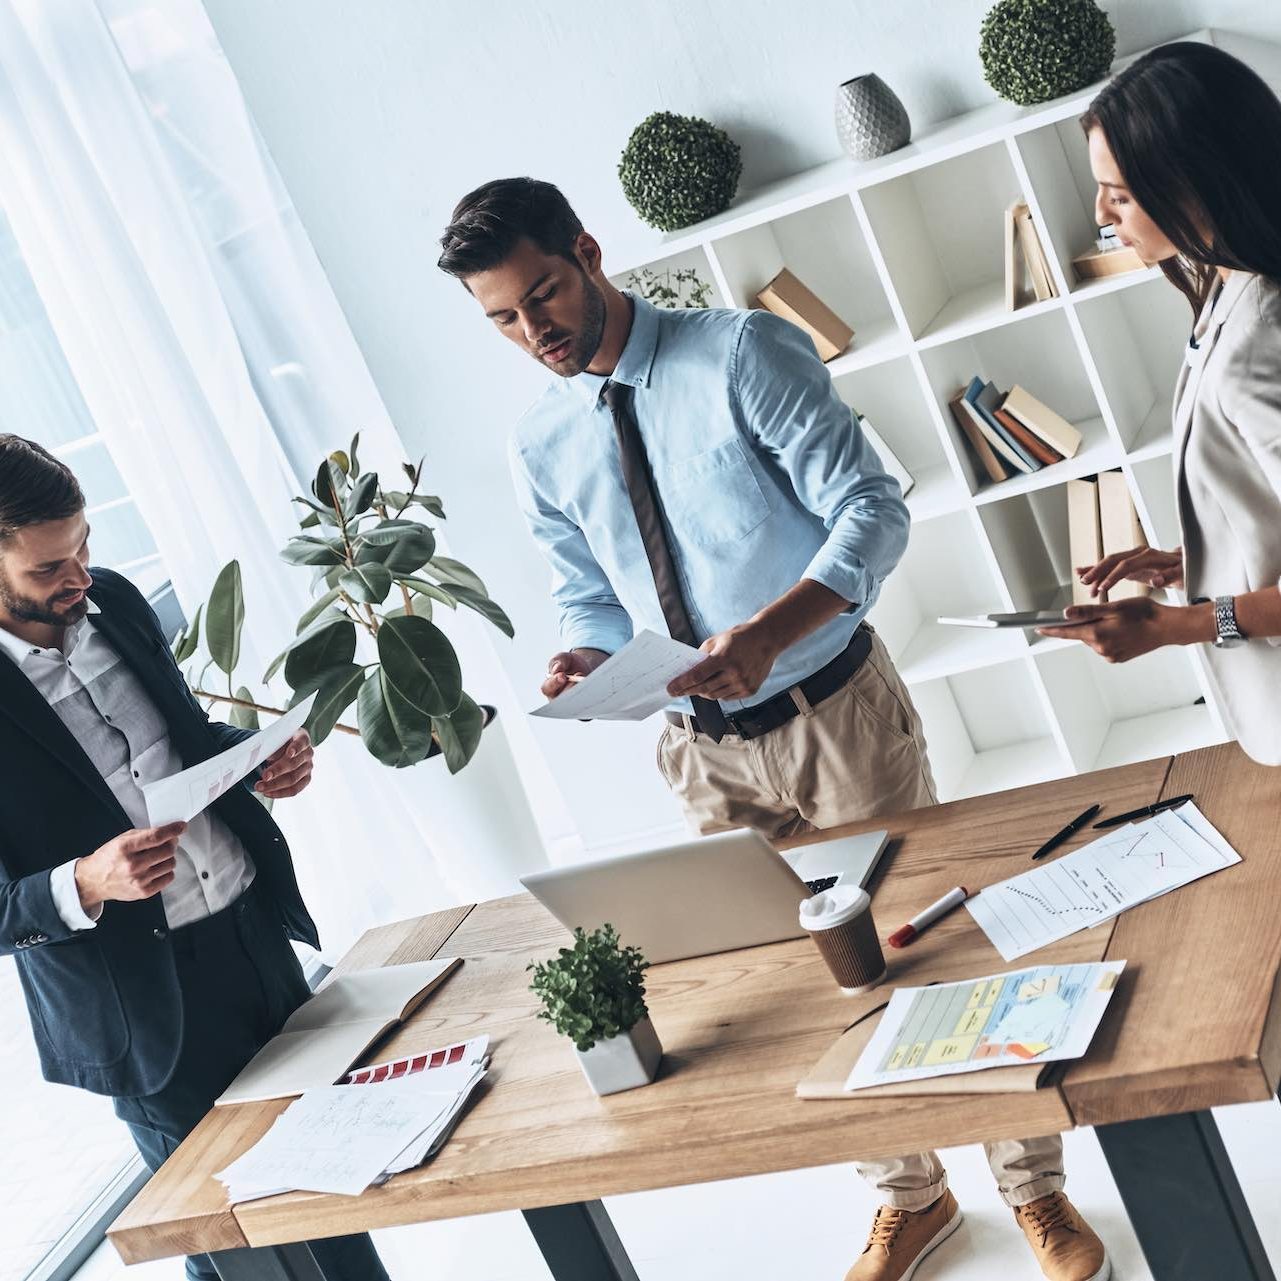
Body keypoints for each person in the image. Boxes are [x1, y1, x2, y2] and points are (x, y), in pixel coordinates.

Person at [438, 179, 1108, 1281]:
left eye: (544, 294)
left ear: (588, 251)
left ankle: (1035, 1188)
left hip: (832, 709)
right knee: (798, 977)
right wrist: (589, 656)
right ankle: (912, 1196)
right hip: (697, 750)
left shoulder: (742, 352)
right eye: (504, 320)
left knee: (926, 948)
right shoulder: (540, 442)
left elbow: (871, 509)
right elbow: (592, 595)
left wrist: (767, 629)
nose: (535, 331)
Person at [0, 436, 389, 1281]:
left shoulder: (118, 604)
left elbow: (182, 739)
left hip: (254, 941)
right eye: (48, 568)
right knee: (245, 1247)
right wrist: (86, 881)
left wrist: (255, 756)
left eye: (85, 548)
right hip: (144, 1005)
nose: (80, 576)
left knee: (332, 1199)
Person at [1039, 41, 1281, 770]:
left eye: (1118, 192)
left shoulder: (1259, 334)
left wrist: (1178, 625)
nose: (1101, 215)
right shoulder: (1222, 286)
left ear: (1191, 182)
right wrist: (1194, 556)